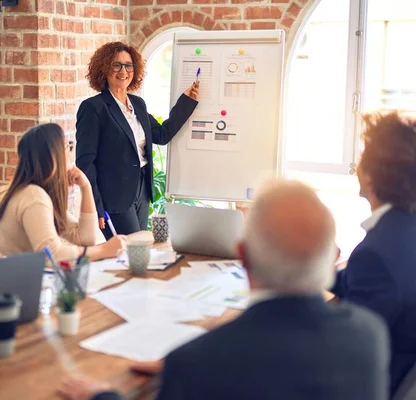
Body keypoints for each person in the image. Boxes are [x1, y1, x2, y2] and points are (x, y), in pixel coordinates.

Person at [59, 181, 390, 400]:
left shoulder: (198, 364)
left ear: (243, 256)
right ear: (333, 259)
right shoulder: (370, 336)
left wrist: (102, 396)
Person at [76, 41, 199, 239]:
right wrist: (95, 206)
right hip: (114, 196)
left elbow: (161, 135)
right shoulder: (93, 108)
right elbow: (85, 163)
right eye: (116, 65)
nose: (123, 71)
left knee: (137, 249)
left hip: (142, 189)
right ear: (104, 68)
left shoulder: (137, 104)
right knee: (131, 250)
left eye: (128, 65)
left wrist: (186, 102)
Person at [331, 112, 416, 396]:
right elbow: (368, 284)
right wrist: (317, 266)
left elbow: (346, 349)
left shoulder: (376, 253)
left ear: (369, 173)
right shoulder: (403, 231)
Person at [0, 123, 126, 262]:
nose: (70, 153)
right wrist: (103, 250)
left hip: (8, 281)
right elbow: (51, 254)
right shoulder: (33, 195)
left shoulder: (34, 192)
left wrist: (86, 187)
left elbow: (85, 239)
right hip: (4, 284)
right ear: (54, 157)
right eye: (67, 147)